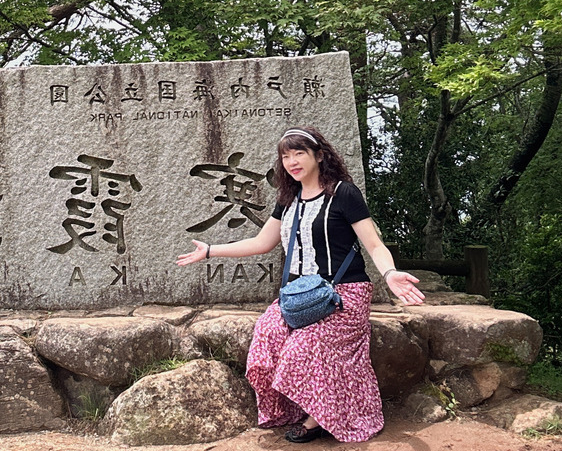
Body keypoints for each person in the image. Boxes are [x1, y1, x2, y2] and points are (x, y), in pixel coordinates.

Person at [176, 126, 424, 443]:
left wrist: (389, 274)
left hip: (342, 295)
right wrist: (210, 251)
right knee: (266, 337)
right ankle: (292, 409)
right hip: (299, 296)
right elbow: (261, 242)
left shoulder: (344, 193)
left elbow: (374, 245)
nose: (292, 161)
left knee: (308, 344)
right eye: (286, 155)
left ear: (319, 156)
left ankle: (317, 418)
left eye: (299, 153)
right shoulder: (288, 199)